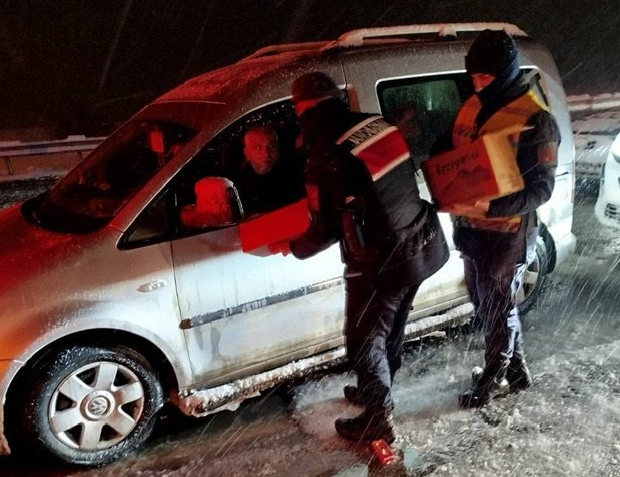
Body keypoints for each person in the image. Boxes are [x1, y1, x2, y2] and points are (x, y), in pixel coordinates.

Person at [269, 72, 449, 443]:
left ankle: (378, 417)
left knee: (364, 339)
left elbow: (324, 228)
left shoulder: (326, 155)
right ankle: (376, 390)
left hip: (382, 260)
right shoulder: (377, 124)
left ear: (303, 109)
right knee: (390, 329)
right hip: (418, 243)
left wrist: (293, 246)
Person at [445, 29, 561, 408]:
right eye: (473, 77)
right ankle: (517, 370)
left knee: (497, 308)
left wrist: (491, 207)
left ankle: (494, 377)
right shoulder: (473, 104)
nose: (478, 85)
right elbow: (458, 147)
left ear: (507, 72)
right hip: (472, 228)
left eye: (486, 77)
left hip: (508, 233)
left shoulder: (536, 119)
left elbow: (541, 190)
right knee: (485, 303)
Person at [232, 126, 304, 216]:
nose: (266, 153)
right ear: (247, 154)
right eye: (258, 148)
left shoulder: (293, 177)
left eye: (271, 146)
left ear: (277, 150)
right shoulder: (240, 188)